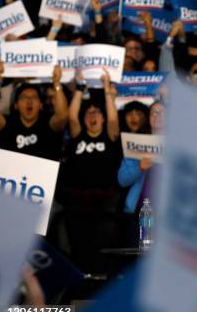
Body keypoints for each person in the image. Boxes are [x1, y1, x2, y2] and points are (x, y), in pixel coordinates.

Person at [59, 70, 121, 273]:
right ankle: (81, 281)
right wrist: (79, 88)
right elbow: (71, 115)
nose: (92, 116)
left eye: (97, 113)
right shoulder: (77, 135)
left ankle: (100, 282)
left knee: (102, 244)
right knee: (78, 243)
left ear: (102, 119)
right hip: (77, 201)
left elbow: (113, 119)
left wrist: (106, 89)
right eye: (88, 113)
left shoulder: (110, 136)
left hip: (105, 201)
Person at [117, 100, 165, 247]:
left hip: (167, 215)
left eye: (163, 112)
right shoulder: (136, 143)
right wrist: (140, 168)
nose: (158, 116)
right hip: (141, 212)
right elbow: (122, 180)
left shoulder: (178, 145)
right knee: (140, 258)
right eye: (153, 112)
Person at [0, 64, 68, 160]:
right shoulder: (7, 124)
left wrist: (56, 83)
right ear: (16, 105)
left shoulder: (48, 124)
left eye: (34, 97)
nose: (29, 101)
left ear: (40, 105)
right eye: (24, 97)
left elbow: (63, 116)